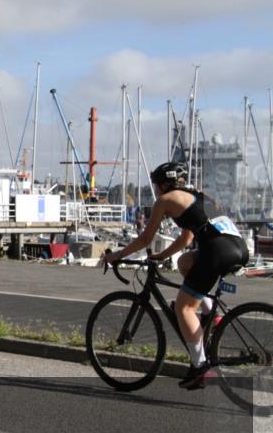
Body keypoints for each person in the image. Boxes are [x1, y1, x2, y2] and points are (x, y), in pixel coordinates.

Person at [104, 162, 249, 389]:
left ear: (163, 184)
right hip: (237, 248)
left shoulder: (165, 200)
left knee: (184, 307)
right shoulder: (197, 197)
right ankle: (212, 311)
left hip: (216, 252)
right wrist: (162, 256)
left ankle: (201, 367)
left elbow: (145, 239)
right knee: (184, 262)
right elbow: (186, 240)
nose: (156, 190)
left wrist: (119, 254)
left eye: (155, 185)